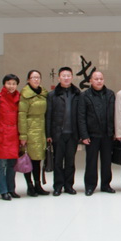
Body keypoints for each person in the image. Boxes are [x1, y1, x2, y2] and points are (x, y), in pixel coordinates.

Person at [78, 70, 116, 195]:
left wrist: (115, 132)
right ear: (90, 81)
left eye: (101, 79)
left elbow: (114, 114)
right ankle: (90, 186)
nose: (99, 81)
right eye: (96, 79)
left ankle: (106, 185)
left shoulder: (110, 94)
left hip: (107, 135)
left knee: (107, 162)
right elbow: (81, 117)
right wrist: (84, 135)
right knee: (91, 162)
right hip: (92, 135)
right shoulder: (85, 95)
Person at [46, 66, 81, 196]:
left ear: (72, 77)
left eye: (68, 76)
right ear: (59, 78)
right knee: (58, 162)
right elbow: (48, 115)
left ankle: (69, 185)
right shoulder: (52, 95)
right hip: (58, 134)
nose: (66, 78)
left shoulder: (77, 94)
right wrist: (48, 134)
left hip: (73, 134)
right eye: (63, 76)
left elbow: (81, 116)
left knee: (70, 162)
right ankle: (58, 186)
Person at [0, 74, 21, 201]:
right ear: (4, 84)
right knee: (1, 165)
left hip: (14, 136)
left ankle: (11, 189)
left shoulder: (19, 98)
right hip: (1, 135)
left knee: (12, 165)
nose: (11, 86)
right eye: (9, 83)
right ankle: (3, 190)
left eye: (14, 84)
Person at [18, 70, 49, 197]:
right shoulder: (25, 95)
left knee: (37, 159)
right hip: (30, 130)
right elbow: (21, 115)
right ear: (28, 80)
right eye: (33, 77)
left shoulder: (43, 93)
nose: (36, 79)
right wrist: (23, 135)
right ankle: (29, 186)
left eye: (38, 77)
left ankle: (38, 185)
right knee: (28, 159)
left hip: (41, 130)